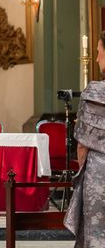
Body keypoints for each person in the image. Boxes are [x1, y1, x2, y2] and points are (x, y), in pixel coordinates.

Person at [64, 31, 105, 246]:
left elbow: (81, 146)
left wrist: (84, 171)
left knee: (96, 235)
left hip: (98, 176)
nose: (97, 57)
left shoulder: (93, 93)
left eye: (99, 52)